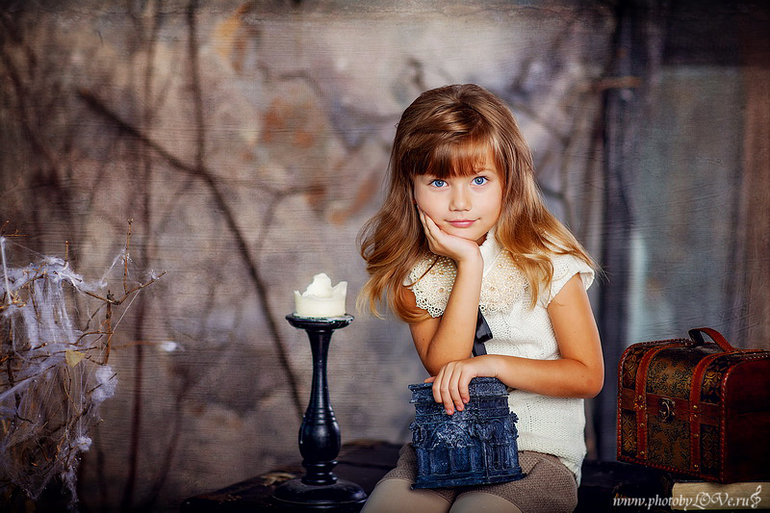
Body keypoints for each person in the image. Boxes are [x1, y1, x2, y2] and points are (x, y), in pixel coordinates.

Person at [357, 84, 603, 513]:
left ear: (509, 179)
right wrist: (469, 265)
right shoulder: (417, 271)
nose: (460, 202)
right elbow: (444, 364)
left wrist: (492, 365)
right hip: (443, 449)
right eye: (438, 182)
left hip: (536, 455)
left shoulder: (547, 259)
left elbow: (587, 376)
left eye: (479, 179)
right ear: (410, 187)